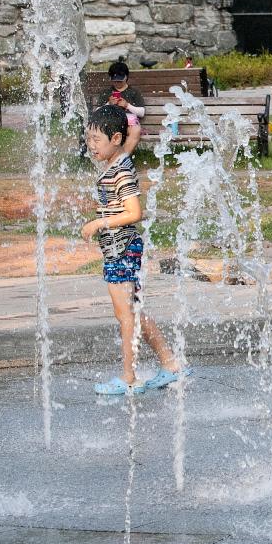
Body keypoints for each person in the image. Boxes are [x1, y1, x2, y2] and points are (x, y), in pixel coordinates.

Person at [82, 105, 189, 395]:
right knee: (134, 311)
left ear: (115, 138)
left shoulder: (121, 172)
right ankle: (170, 362)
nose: (91, 145)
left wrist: (99, 223)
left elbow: (134, 212)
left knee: (125, 314)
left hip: (122, 248)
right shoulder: (116, 164)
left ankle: (128, 376)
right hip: (121, 248)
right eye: (88, 138)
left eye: (96, 140)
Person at [97, 60, 145, 155]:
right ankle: (109, 158)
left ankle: (122, 158)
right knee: (102, 132)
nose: (118, 83)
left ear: (126, 77)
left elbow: (142, 112)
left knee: (136, 130)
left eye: (120, 80)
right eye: (115, 81)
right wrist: (108, 104)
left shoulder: (134, 92)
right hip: (110, 124)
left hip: (128, 125)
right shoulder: (106, 92)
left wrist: (127, 105)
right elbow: (97, 112)